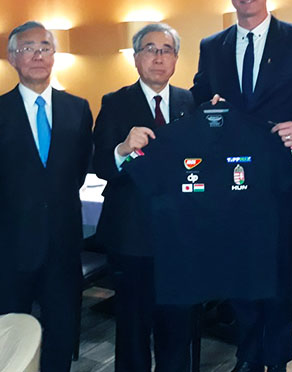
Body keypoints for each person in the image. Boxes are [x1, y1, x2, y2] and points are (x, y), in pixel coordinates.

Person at [191, 0, 292, 372]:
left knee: (278, 276)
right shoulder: (211, 46)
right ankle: (248, 356)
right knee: (239, 273)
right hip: (230, 182)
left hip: (281, 182)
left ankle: (277, 358)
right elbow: (200, 98)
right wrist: (208, 109)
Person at [0, 21, 93, 372]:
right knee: (10, 336)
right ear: (12, 57)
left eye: (45, 47)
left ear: (54, 55)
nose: (38, 55)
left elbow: (78, 171)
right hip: (12, 245)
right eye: (28, 48)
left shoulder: (78, 108)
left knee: (61, 331)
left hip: (63, 243)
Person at [93, 23, 195, 372]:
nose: (158, 57)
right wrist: (122, 148)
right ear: (136, 58)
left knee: (177, 328)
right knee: (133, 330)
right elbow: (100, 165)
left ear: (176, 59)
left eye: (166, 50)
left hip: (180, 238)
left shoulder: (189, 102)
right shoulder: (114, 103)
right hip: (131, 236)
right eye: (150, 49)